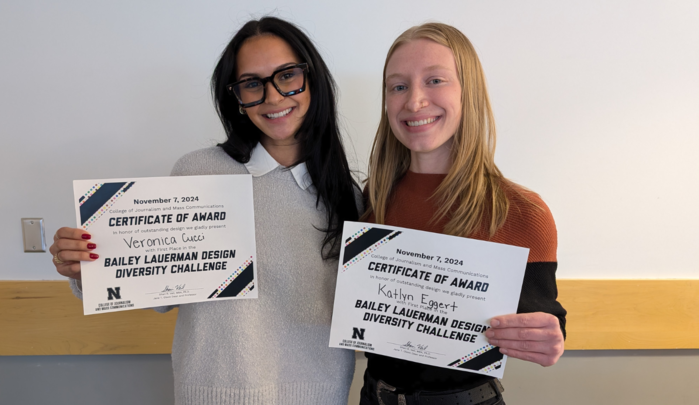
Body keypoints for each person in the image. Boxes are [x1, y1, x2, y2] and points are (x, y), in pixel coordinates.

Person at [49, 17, 360, 405]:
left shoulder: (346, 195)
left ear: (312, 78)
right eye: (252, 83)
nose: (274, 97)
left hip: (320, 396)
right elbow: (157, 289)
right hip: (211, 395)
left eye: (287, 75)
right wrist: (85, 269)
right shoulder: (198, 172)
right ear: (235, 97)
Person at [359, 23, 567, 405]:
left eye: (435, 80)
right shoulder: (371, 199)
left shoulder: (524, 212)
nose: (415, 101)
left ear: (468, 91)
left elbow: (545, 319)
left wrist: (549, 338)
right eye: (398, 86)